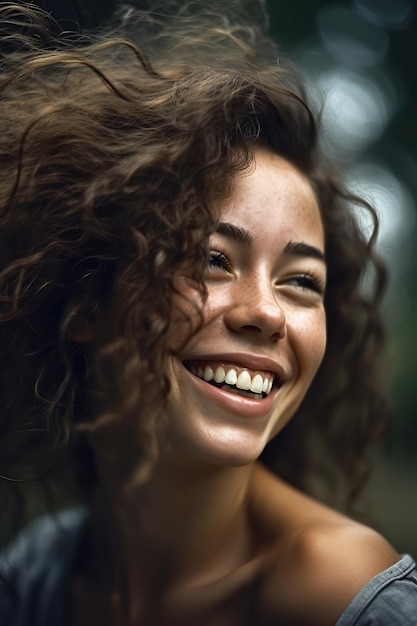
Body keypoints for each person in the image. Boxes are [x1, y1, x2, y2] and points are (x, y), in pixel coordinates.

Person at [0, 2, 416, 625]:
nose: (267, 315)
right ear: (86, 298)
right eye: (210, 260)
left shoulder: (340, 597)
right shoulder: (34, 577)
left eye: (303, 281)